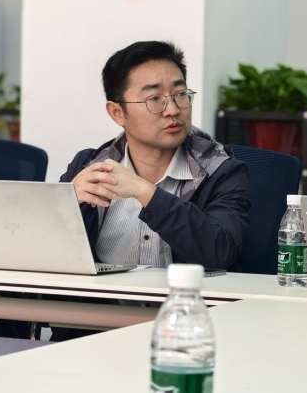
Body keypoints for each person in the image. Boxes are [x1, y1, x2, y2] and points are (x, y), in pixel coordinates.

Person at [61, 40, 249, 272]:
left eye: (180, 94)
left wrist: (146, 192)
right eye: (154, 99)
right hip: (103, 297)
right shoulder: (88, 167)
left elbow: (219, 253)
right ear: (117, 112)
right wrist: (64, 205)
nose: (173, 110)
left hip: (185, 295)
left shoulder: (221, 171)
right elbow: (42, 255)